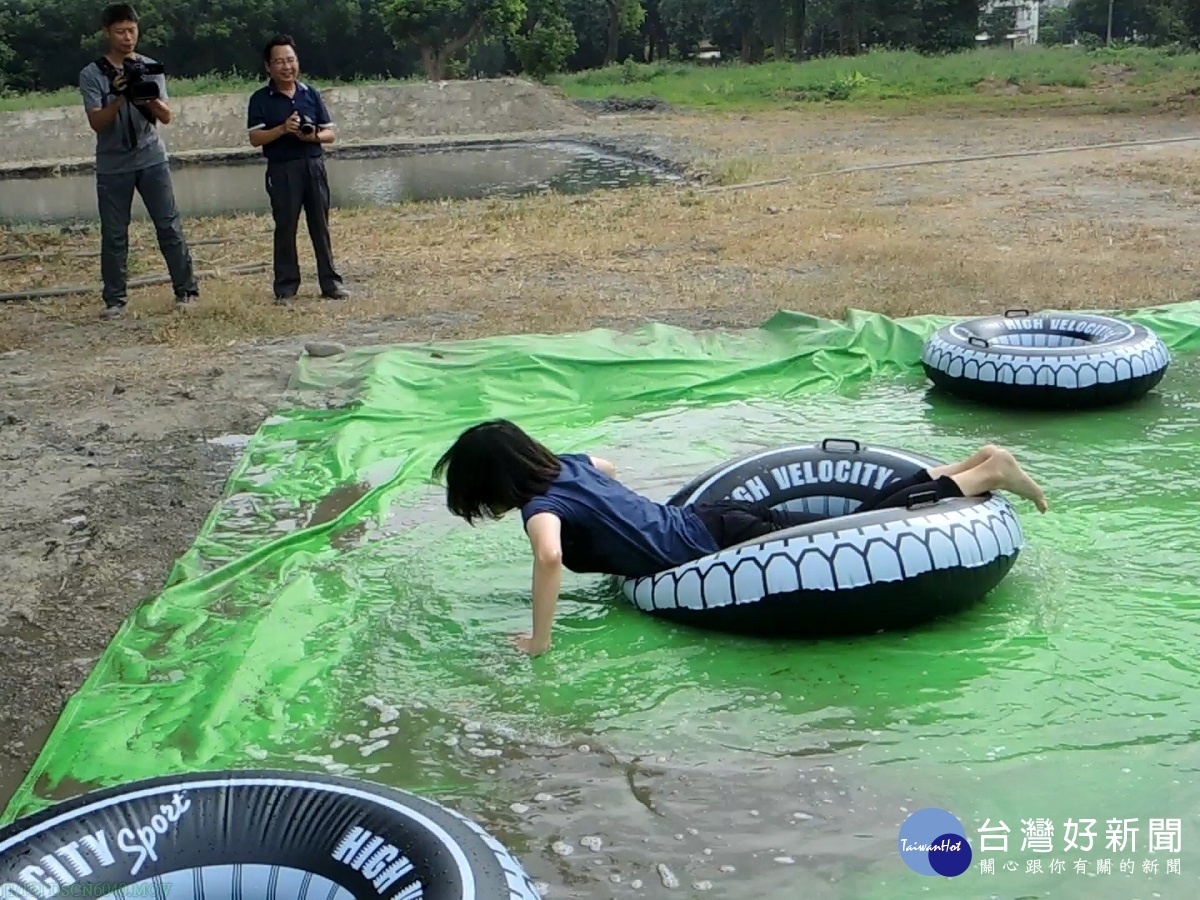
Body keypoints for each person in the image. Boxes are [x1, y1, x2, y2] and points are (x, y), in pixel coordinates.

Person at [432, 420, 1048, 657]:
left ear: (495, 485)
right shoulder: (568, 465)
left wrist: (541, 639)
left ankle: (986, 473)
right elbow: (609, 466)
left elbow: (549, 556)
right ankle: (971, 465)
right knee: (852, 520)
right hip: (710, 521)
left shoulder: (542, 508)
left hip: (716, 548)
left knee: (857, 530)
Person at [79, 3, 199, 319]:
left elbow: (167, 116)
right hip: (112, 164)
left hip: (151, 157)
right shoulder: (92, 74)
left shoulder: (149, 67)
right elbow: (96, 123)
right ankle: (115, 300)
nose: (128, 37)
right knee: (115, 233)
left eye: (132, 30)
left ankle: (186, 291)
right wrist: (118, 97)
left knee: (169, 225)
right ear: (107, 33)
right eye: (120, 31)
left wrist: (145, 95)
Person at [245, 35, 348, 305]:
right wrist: (281, 129)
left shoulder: (310, 93)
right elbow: (255, 138)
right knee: (286, 228)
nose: (286, 67)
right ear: (268, 67)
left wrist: (311, 136)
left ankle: (331, 283)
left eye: (290, 60)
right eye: (279, 62)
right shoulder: (260, 99)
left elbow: (330, 135)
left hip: (313, 164)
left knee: (320, 226)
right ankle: (286, 287)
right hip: (282, 169)